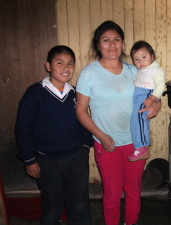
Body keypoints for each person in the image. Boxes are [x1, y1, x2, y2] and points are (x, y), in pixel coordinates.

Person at [75, 21, 161, 225]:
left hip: (136, 143)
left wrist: (156, 104)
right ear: (98, 45)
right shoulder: (88, 74)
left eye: (116, 40)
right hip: (107, 143)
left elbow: (152, 94)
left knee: (133, 190)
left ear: (122, 43)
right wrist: (102, 136)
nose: (112, 45)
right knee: (112, 193)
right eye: (106, 40)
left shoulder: (135, 71)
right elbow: (80, 111)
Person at [15, 45, 93, 225]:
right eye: (60, 63)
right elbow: (23, 128)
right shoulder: (34, 93)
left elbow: (84, 119)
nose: (66, 68)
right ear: (48, 66)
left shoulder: (75, 93)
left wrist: (84, 147)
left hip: (75, 157)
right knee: (52, 203)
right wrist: (29, 159)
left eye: (70, 64)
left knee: (79, 202)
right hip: (45, 160)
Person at [128, 40, 165, 162]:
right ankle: (141, 145)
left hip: (146, 94)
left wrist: (152, 99)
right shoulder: (142, 71)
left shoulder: (155, 70)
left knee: (138, 117)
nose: (140, 61)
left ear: (152, 56)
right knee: (138, 119)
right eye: (136, 59)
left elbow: (160, 86)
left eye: (144, 57)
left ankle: (142, 146)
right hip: (140, 95)